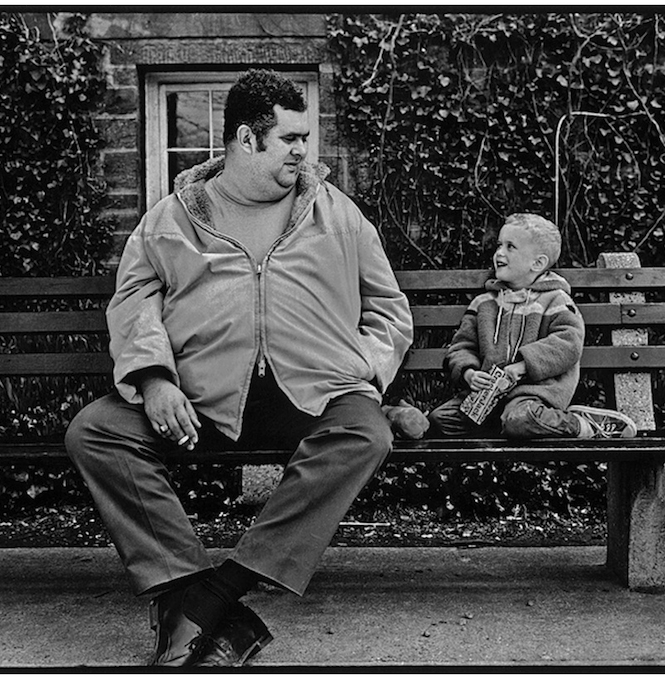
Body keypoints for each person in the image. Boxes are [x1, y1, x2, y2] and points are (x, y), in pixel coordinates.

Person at [65, 69, 413, 668]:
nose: (304, 152)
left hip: (315, 395)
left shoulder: (336, 213)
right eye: (290, 139)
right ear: (246, 141)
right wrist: (154, 378)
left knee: (367, 432)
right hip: (202, 400)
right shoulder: (174, 217)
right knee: (95, 431)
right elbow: (134, 300)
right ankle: (193, 593)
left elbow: (388, 307)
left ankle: (216, 592)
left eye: (307, 137)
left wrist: (364, 366)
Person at [427, 212, 638, 440]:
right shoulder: (484, 303)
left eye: (511, 247)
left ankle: (580, 424)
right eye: (499, 245)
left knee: (521, 419)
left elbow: (568, 344)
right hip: (485, 399)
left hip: (531, 395)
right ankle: (506, 425)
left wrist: (522, 366)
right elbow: (461, 347)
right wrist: (469, 373)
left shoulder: (555, 300)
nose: (499, 253)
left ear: (537, 263)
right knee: (440, 421)